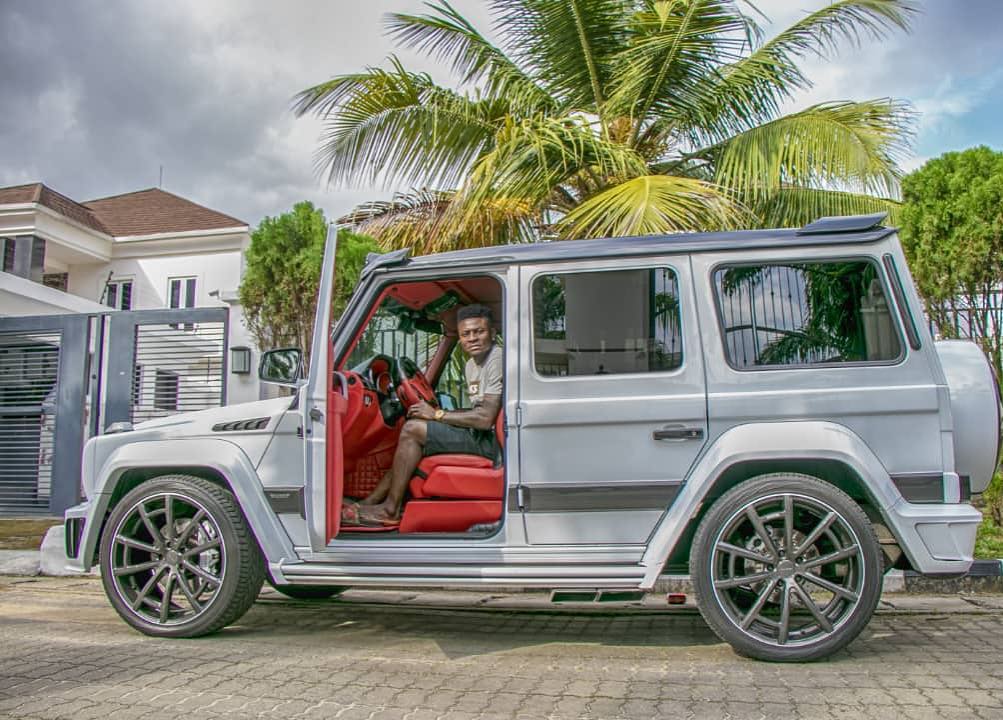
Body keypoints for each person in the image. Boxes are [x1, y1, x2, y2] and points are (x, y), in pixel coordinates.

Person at [344, 303, 503, 526]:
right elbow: (478, 409)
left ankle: (390, 510)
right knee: (413, 433)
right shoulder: (471, 365)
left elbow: (485, 418)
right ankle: (370, 502)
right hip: (482, 435)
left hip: (493, 444)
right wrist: (442, 414)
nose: (473, 338)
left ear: (492, 333)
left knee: (412, 430)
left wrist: (437, 414)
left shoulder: (497, 359)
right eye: (466, 334)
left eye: (479, 331)